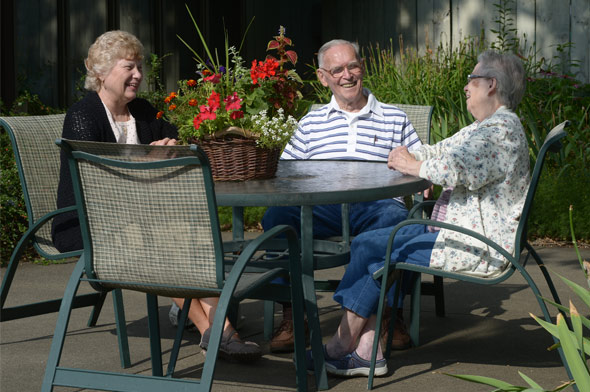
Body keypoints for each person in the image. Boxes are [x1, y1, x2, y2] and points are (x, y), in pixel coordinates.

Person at [314, 50, 529, 377]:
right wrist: (408, 154)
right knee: (372, 244)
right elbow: (440, 151)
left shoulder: (501, 131)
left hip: (475, 246)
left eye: (471, 80)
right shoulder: (484, 128)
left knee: (374, 247)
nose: (466, 88)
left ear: (491, 85)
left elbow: (455, 169)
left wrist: (411, 164)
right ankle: (365, 349)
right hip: (454, 233)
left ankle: (343, 345)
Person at [51, 30, 261, 362]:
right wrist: (147, 161)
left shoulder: (144, 112)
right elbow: (95, 184)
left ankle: (219, 331)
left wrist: (172, 148)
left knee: (189, 234)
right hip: (89, 223)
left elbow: (179, 140)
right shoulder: (83, 116)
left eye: (139, 67)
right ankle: (216, 331)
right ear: (102, 73)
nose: (138, 75)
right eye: (128, 67)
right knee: (163, 242)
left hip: (144, 219)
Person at [261, 39, 424, 353]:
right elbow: (286, 173)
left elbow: (418, 162)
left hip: (376, 205)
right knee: (277, 218)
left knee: (396, 219)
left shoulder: (394, 117)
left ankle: (389, 315)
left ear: (362, 67)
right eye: (337, 70)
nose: (347, 75)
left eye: (353, 66)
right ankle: (294, 315)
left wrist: (422, 173)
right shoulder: (310, 123)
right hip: (322, 207)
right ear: (323, 78)